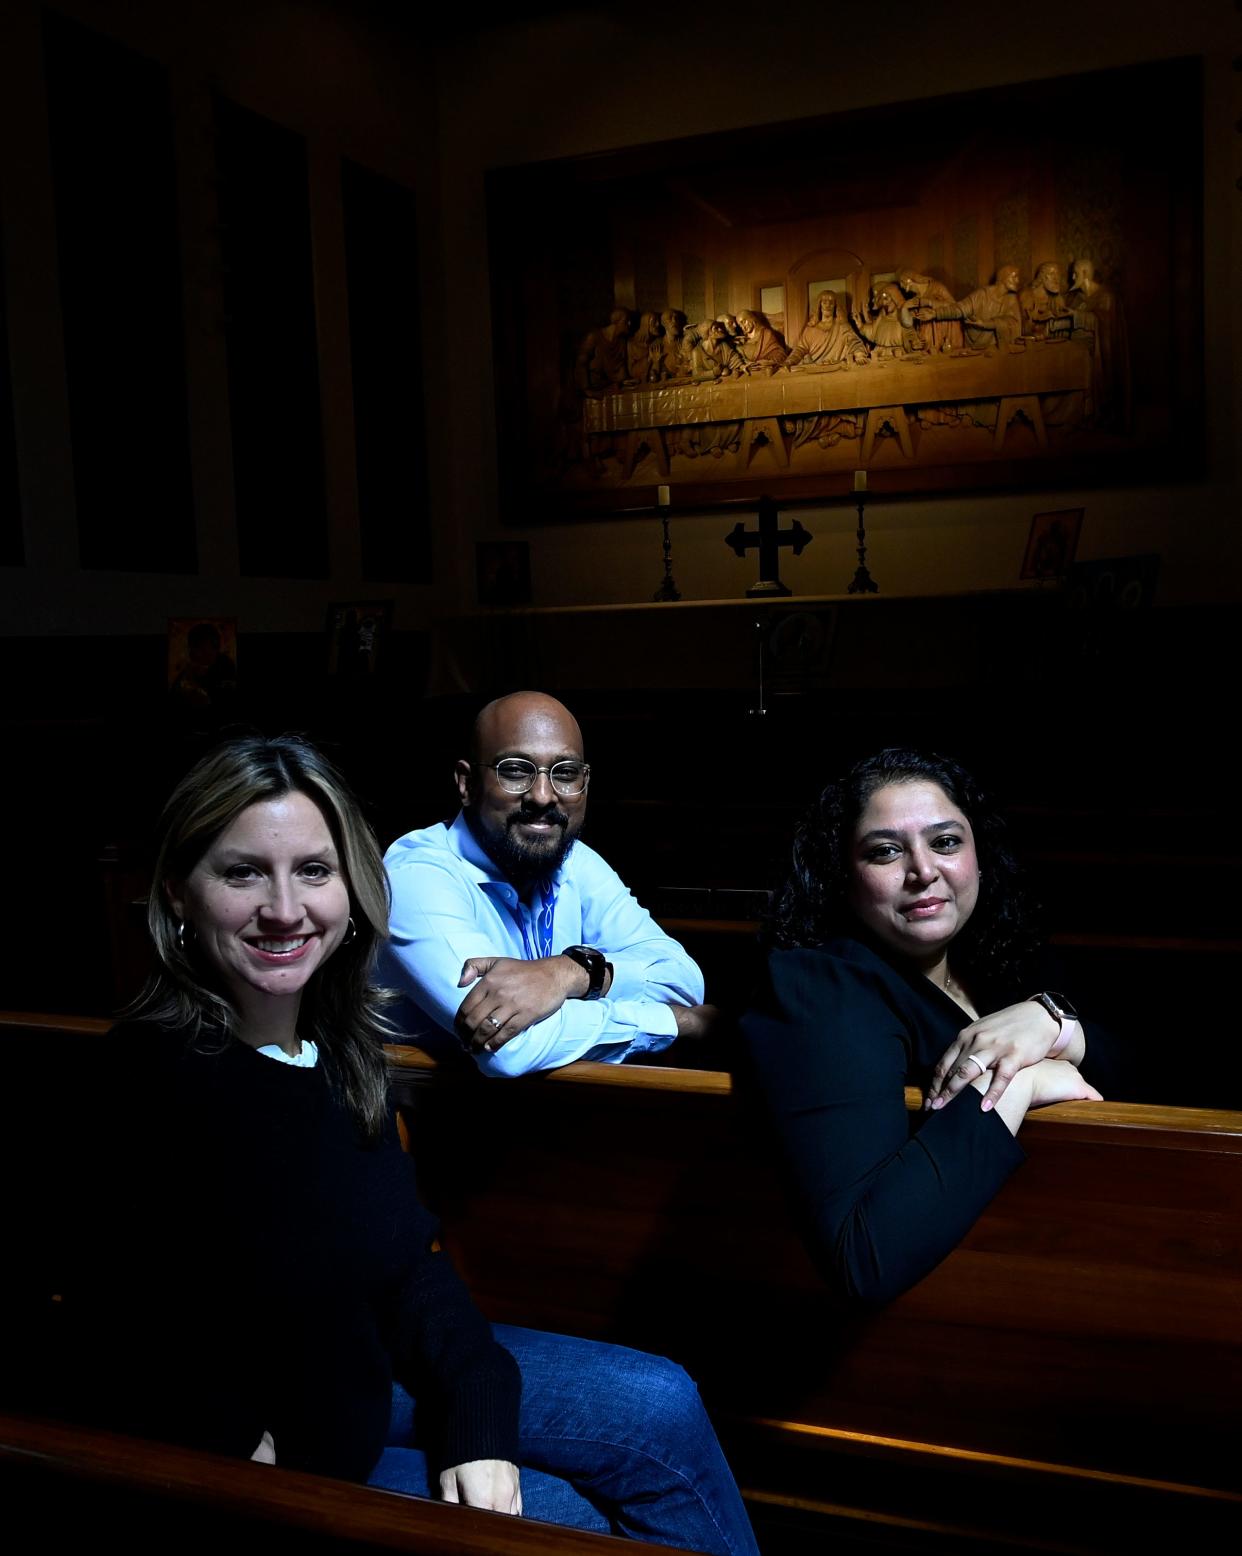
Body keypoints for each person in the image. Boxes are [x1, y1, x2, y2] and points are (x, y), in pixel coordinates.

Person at [46, 735, 757, 1553]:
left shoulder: (337, 1050)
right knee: (569, 1515)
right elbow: (103, 1313)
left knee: (659, 1399)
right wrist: (234, 1445)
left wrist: (477, 1403)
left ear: (351, 888)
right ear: (178, 892)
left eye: (314, 871)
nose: (285, 908)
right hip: (280, 1443)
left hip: (359, 1370)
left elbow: (400, 1262)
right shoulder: (149, 1076)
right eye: (243, 872)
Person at [742, 748, 1124, 1307]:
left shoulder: (1004, 962)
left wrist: (1057, 1028)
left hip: (1071, 1277)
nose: (924, 871)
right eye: (885, 851)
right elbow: (863, 1258)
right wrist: (1017, 1083)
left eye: (946, 842)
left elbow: (1162, 1081)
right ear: (842, 873)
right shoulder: (821, 989)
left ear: (978, 856)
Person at [383, 692, 715, 1075]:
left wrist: (570, 974)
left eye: (566, 773)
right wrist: (682, 1023)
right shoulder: (415, 877)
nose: (543, 796)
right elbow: (511, 1047)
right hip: (431, 1124)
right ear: (467, 783)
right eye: (515, 770)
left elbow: (683, 980)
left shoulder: (574, 860)